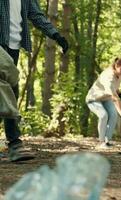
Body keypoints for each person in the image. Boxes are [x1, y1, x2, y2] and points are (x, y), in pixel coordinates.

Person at [0, 0, 69, 162]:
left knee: (8, 90)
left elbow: (36, 15)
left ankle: (14, 144)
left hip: (14, 46)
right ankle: (15, 143)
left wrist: (56, 35)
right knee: (11, 85)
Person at [86, 57, 121, 149]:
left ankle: (107, 141)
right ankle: (101, 142)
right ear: (116, 66)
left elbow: (115, 88)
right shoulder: (109, 77)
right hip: (93, 99)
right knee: (103, 115)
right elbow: (115, 98)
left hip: (105, 98)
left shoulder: (119, 74)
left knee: (114, 115)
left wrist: (120, 94)